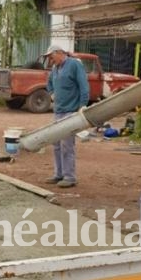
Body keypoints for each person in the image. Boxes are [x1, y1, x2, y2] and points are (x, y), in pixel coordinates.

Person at [44, 44, 90, 188]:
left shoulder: (74, 65)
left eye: (51, 57)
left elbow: (84, 85)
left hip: (70, 111)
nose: (50, 60)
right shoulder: (55, 68)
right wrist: (52, 93)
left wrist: (83, 105)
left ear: (59, 53)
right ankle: (59, 174)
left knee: (67, 145)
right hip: (58, 111)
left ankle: (70, 177)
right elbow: (49, 83)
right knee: (56, 144)